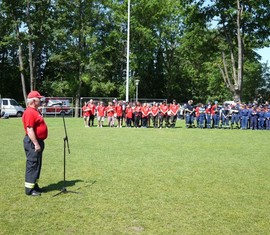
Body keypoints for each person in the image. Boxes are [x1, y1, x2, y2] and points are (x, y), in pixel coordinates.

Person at [22, 91, 48, 196]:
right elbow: (30, 129)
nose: (40, 100)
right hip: (33, 142)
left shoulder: (36, 111)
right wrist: (36, 143)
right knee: (32, 165)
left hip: (38, 141)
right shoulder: (29, 112)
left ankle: (34, 185)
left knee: (37, 164)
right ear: (33, 101)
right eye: (39, 99)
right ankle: (29, 190)